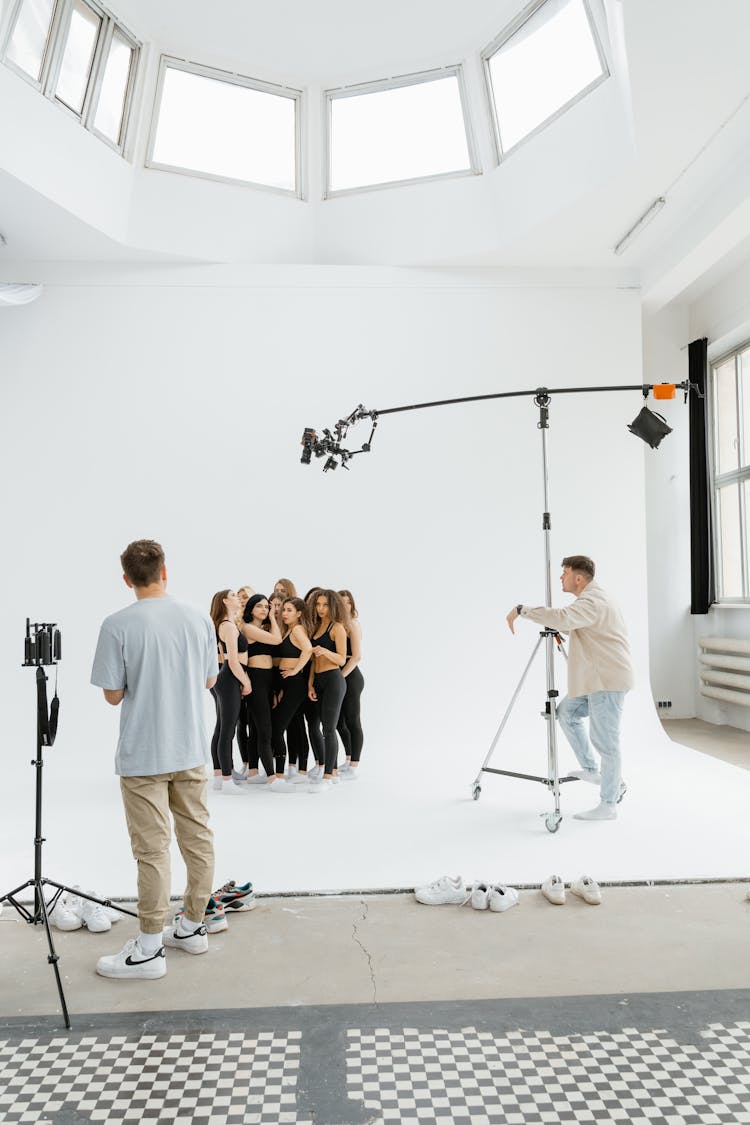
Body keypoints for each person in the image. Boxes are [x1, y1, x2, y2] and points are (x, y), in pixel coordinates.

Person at [90, 539, 218, 979]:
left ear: (126, 578)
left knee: (152, 850)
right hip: (190, 749)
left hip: (143, 754)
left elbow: (112, 695)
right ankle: (192, 928)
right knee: (197, 841)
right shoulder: (198, 617)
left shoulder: (116, 624)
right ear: (165, 572)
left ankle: (148, 948)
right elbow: (207, 680)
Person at [506, 555, 634, 821]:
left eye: (564, 573)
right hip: (597, 679)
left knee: (607, 743)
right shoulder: (592, 600)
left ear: (578, 577)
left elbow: (564, 618)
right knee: (566, 712)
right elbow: (575, 622)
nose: (561, 579)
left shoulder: (592, 600)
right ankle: (592, 770)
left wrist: (522, 610)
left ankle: (609, 804)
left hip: (607, 681)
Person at [241, 594, 294, 792]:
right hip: (255, 680)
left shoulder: (262, 628)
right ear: (251, 609)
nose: (264, 609)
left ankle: (256, 774)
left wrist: (274, 687)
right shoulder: (248, 628)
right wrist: (273, 616)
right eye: (260, 607)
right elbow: (277, 639)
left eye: (266, 607)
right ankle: (273, 779)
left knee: (259, 728)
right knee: (264, 730)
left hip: (268, 680)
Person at [208, 589, 251, 795]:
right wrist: (246, 682)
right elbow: (233, 662)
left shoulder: (225, 625)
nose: (238, 599)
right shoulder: (228, 627)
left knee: (222, 727)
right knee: (227, 730)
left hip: (223, 678)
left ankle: (219, 776)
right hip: (229, 677)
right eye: (234, 595)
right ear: (225, 601)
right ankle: (226, 779)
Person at [308, 590, 348, 792]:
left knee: (329, 729)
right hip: (319, 680)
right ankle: (333, 772)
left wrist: (326, 651)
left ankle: (327, 776)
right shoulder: (316, 627)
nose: (321, 608)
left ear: (333, 606)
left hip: (334, 679)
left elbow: (342, 659)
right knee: (323, 726)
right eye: (318, 604)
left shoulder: (337, 628)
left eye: (325, 605)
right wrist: (310, 684)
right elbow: (313, 661)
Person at [271, 597, 313, 782]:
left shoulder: (297, 629)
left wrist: (295, 670)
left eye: (289, 610)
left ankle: (283, 773)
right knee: (295, 726)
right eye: (284, 610)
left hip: (295, 684)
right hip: (287, 684)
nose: (284, 613)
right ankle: (299, 771)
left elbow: (308, 649)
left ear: (299, 613)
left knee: (278, 726)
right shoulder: (289, 630)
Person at [337, 589, 364, 778]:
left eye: (348, 602)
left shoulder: (352, 625)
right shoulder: (335, 625)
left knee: (352, 719)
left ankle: (354, 764)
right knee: (339, 722)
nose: (345, 605)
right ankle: (347, 758)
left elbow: (356, 657)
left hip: (351, 676)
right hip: (338, 675)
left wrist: (341, 676)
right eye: (341, 602)